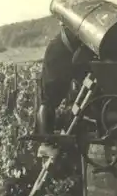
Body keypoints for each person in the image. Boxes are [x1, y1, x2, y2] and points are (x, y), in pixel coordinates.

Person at [36, 21, 97, 157]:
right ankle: (45, 144)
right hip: (59, 53)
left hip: (71, 54)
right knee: (49, 100)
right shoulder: (61, 44)